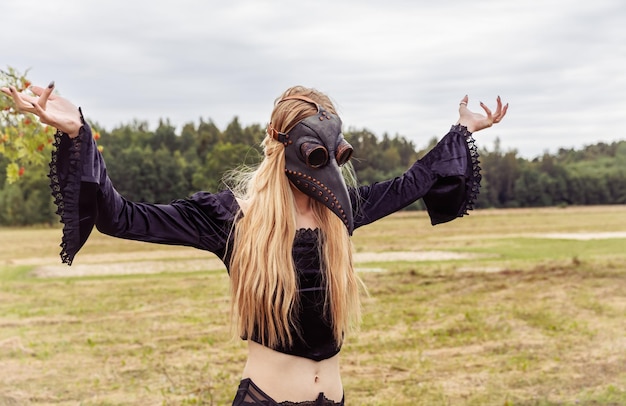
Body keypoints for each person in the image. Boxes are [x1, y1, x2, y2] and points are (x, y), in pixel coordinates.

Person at [2, 83, 507, 405]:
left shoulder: (339, 213)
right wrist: (78, 134)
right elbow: (122, 216)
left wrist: (462, 130)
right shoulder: (230, 217)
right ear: (278, 137)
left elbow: (413, 182)